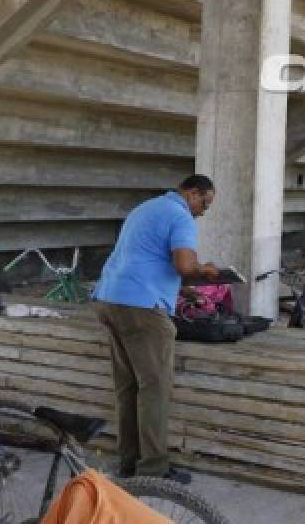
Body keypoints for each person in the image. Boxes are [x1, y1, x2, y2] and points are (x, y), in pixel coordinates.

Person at [92, 175, 221, 484]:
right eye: (204, 203)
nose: (203, 211)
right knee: (155, 389)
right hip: (141, 309)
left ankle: (128, 463)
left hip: (109, 299)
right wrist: (205, 271)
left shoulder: (144, 209)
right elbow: (185, 265)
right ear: (192, 193)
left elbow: (143, 259)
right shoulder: (180, 215)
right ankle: (152, 470)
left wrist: (178, 289)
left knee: (128, 387)